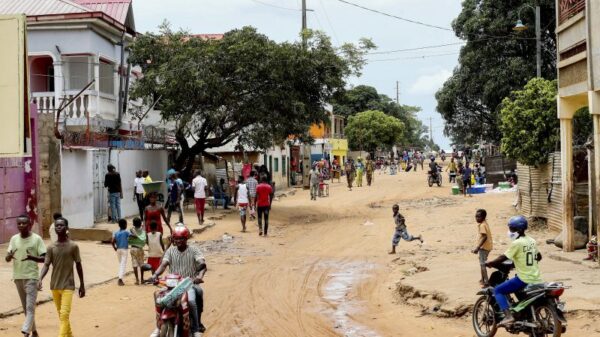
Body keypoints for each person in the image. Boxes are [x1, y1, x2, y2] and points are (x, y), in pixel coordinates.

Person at [485, 216, 542, 327]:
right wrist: (520, 262)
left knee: (498, 290)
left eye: (512, 229)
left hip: (524, 279)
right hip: (536, 278)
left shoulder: (517, 243)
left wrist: (491, 263)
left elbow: (503, 257)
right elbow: (538, 257)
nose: (510, 231)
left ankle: (508, 316)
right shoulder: (531, 241)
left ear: (519, 230)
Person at [150, 226, 207, 337]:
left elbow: (202, 263)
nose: (178, 241)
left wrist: (199, 276)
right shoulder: (170, 251)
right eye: (176, 238)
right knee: (157, 296)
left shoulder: (194, 250)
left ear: (186, 239)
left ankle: (195, 329)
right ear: (173, 239)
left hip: (188, 284)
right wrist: (155, 275)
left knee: (190, 301)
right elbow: (163, 265)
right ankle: (158, 327)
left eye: (181, 238)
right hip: (171, 285)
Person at [37, 217, 85, 337]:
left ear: (67, 228)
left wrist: (82, 285)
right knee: (62, 316)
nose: (59, 227)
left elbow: (79, 265)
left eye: (61, 225)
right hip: (54, 286)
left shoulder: (73, 246)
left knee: (64, 315)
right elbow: (46, 265)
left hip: (68, 286)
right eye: (57, 225)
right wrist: (40, 278)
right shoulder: (51, 247)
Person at [6, 214, 46, 337]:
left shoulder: (37, 239)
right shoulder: (14, 239)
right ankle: (34, 331)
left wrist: (32, 257)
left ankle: (25, 332)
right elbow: (8, 257)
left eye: (24, 223)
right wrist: (8, 257)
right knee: (25, 307)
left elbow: (44, 258)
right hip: (18, 277)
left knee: (30, 307)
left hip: (31, 277)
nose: (21, 225)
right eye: (19, 223)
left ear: (30, 224)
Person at [471, 209, 493, 287]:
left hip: (484, 248)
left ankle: (486, 282)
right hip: (486, 247)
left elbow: (484, 237)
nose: (477, 218)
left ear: (484, 217)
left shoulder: (482, 225)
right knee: (482, 264)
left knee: (482, 265)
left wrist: (477, 247)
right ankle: (483, 279)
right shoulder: (484, 223)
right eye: (476, 216)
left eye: (479, 217)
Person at [111, 219, 130, 286]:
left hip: (118, 249)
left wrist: (114, 248)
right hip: (124, 250)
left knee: (121, 264)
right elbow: (133, 236)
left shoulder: (115, 232)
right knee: (123, 264)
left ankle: (121, 276)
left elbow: (112, 241)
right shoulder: (126, 232)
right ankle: (120, 279)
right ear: (125, 225)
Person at [129, 217, 147, 285]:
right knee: (141, 264)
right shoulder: (143, 231)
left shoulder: (132, 229)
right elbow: (144, 228)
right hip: (140, 249)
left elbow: (131, 229)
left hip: (133, 248)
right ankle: (142, 279)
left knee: (134, 264)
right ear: (140, 224)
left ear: (133, 224)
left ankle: (137, 280)